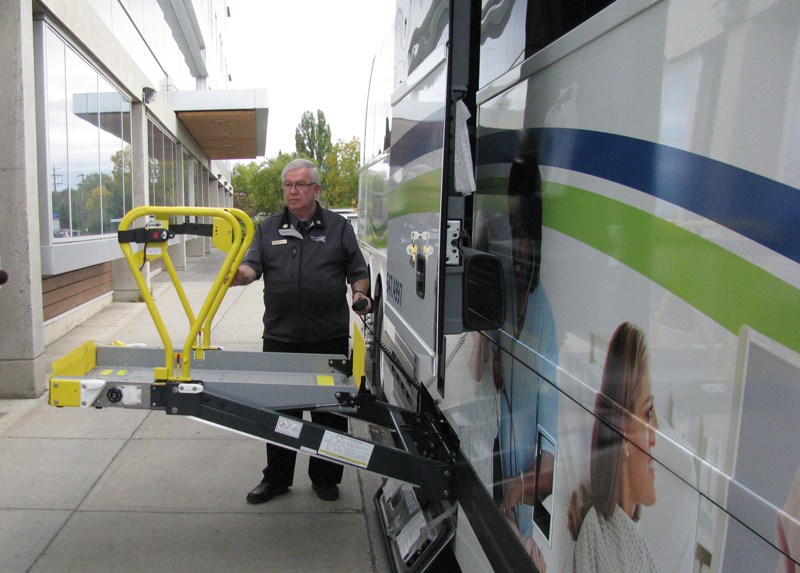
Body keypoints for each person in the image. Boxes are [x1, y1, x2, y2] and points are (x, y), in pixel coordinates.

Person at [230, 158, 372, 504]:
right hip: (280, 336)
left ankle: (325, 478)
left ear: (315, 190)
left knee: (328, 412)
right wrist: (240, 275)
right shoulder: (267, 228)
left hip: (328, 337)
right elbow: (252, 266)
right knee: (280, 413)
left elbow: (358, 269)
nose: (292, 191)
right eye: (287, 185)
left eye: (299, 185)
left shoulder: (338, 227)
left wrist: (360, 294)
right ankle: (277, 479)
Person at [568, 322, 660, 573]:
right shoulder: (595, 534)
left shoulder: (640, 550)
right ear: (624, 433)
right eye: (649, 412)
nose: (657, 430)